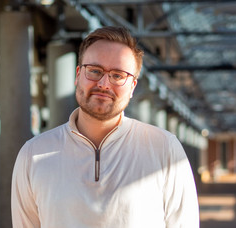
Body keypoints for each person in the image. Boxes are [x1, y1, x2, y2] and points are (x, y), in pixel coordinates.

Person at [11, 26, 199, 228]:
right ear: (78, 75)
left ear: (132, 87)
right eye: (94, 71)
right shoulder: (33, 154)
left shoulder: (165, 149)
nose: (104, 83)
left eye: (118, 75)